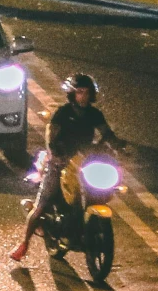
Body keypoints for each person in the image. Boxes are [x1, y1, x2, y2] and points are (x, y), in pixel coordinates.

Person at [8, 75, 124, 260]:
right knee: (41, 205)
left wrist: (118, 145)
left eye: (86, 92)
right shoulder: (62, 113)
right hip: (59, 162)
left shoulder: (94, 114)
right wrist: (55, 154)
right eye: (79, 92)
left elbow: (106, 133)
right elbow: (50, 135)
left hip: (82, 161)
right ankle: (24, 244)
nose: (83, 96)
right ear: (72, 94)